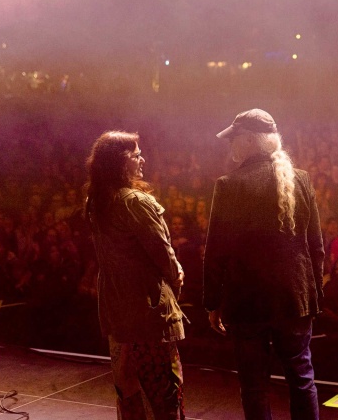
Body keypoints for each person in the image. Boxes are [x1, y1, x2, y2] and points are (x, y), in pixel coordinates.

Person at [203, 109, 325, 420]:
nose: (230, 146)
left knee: (254, 385)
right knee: (301, 379)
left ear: (247, 140)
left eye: (234, 140)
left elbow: (217, 250)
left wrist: (212, 302)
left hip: (247, 303)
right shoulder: (301, 179)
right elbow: (316, 247)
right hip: (294, 299)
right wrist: (314, 296)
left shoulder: (229, 185)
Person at [84, 131, 186, 420]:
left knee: (128, 388)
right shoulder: (135, 202)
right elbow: (164, 255)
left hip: (117, 308)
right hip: (147, 311)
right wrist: (176, 274)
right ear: (119, 162)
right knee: (163, 392)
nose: (142, 159)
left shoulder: (97, 202)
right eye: (135, 155)